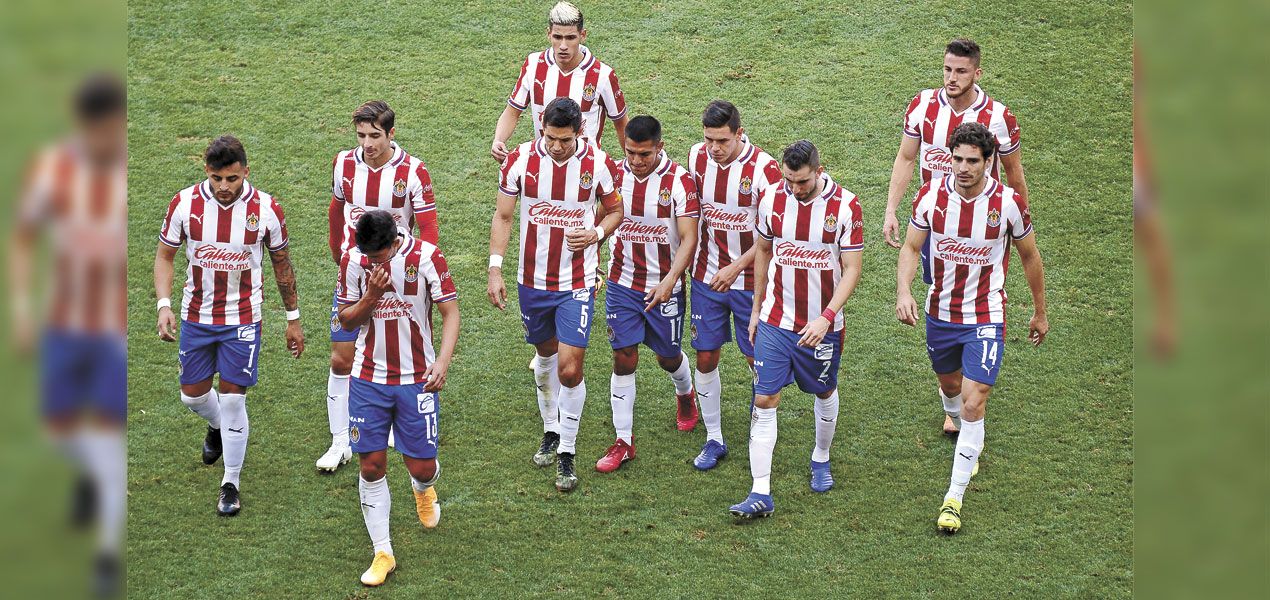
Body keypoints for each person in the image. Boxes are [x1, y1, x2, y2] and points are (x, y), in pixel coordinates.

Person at [895, 122, 1049, 534]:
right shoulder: (930, 196)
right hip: (940, 314)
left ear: (988, 161)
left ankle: (954, 498)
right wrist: (904, 291)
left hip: (985, 315)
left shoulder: (1008, 204)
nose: (963, 168)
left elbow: (1030, 256)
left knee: (974, 400)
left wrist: (1040, 311)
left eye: (972, 161)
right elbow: (911, 247)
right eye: (957, 159)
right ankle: (962, 427)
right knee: (951, 387)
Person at [10, 73, 128, 596]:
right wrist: (21, 309)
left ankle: (107, 554)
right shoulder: (53, 168)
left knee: (107, 435)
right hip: (62, 321)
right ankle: (90, 474)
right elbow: (23, 236)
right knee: (57, 430)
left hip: (111, 331)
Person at [882, 38, 1029, 436]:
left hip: (983, 224)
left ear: (977, 73)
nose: (952, 77)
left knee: (980, 290)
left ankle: (975, 378)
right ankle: (954, 384)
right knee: (941, 292)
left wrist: (1020, 220)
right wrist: (892, 209)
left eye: (961, 71)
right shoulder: (922, 105)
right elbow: (906, 157)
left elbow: (1014, 173)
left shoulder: (998, 117)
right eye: (947, 69)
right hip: (933, 223)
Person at [154, 135, 305, 516]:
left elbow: (282, 265)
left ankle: (230, 484)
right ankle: (218, 425)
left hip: (243, 318)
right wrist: (164, 305)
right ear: (206, 171)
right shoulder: (184, 204)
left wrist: (292, 318)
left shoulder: (266, 209)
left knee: (235, 398)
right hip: (197, 316)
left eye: (232, 179)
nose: (224, 187)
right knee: (192, 396)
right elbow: (165, 256)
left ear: (246, 172)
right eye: (217, 178)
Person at [487, 97, 624, 492]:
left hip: (576, 282)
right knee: (545, 356)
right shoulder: (520, 160)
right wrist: (495, 268)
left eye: (565, 140)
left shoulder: (597, 163)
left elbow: (616, 210)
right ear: (542, 128)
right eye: (550, 138)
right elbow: (504, 215)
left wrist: (596, 233)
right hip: (531, 281)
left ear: (579, 132)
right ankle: (550, 428)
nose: (557, 146)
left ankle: (567, 450)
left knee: (570, 368)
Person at [727, 141, 863, 519]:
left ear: (819, 171)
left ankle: (821, 456)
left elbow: (852, 268)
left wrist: (827, 316)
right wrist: (756, 309)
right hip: (775, 321)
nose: (795, 188)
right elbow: (763, 252)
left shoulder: (846, 206)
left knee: (824, 390)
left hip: (822, 326)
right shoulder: (772, 198)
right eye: (789, 180)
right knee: (764, 399)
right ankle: (760, 492)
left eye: (802, 181)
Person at [336, 210, 459, 587]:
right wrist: (371, 295)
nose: (373, 263)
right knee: (371, 466)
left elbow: (451, 313)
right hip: (367, 379)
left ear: (395, 242)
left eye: (379, 256)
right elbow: (346, 320)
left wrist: (442, 362)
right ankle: (383, 552)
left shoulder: (427, 257)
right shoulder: (353, 261)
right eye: (368, 256)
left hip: (417, 379)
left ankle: (423, 488)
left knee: (421, 467)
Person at [318, 100, 440, 472]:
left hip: (400, 280)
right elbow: (335, 211)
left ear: (391, 133)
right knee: (341, 357)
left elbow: (428, 228)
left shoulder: (413, 171)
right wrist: (338, 255)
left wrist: (421, 273)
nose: (367, 144)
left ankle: (393, 418)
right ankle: (340, 440)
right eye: (361, 135)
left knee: (397, 353)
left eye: (374, 136)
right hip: (355, 274)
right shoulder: (343, 164)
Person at [594, 115, 700, 473]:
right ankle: (623, 441)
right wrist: (593, 258)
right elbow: (601, 218)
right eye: (631, 153)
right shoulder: (613, 174)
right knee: (623, 356)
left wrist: (671, 279)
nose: (636, 161)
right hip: (622, 283)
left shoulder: (679, 181)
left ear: (660, 147)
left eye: (644, 154)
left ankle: (685, 394)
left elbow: (689, 238)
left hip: (663, 284)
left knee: (667, 357)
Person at [685, 100, 782, 470]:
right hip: (707, 277)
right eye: (709, 139)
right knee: (705, 355)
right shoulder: (696, 157)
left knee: (755, 358)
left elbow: (771, 235)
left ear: (740, 133)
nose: (714, 148)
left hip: (750, 282)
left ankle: (760, 427)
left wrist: (736, 267)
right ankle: (714, 437)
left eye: (722, 141)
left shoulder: (765, 169)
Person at [491, 1, 627, 163]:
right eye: (557, 37)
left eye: (570, 38)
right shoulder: (533, 65)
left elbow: (621, 123)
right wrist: (498, 140)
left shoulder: (603, 75)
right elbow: (512, 111)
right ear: (548, 34)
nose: (563, 46)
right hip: (543, 166)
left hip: (586, 168)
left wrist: (632, 163)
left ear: (582, 35)